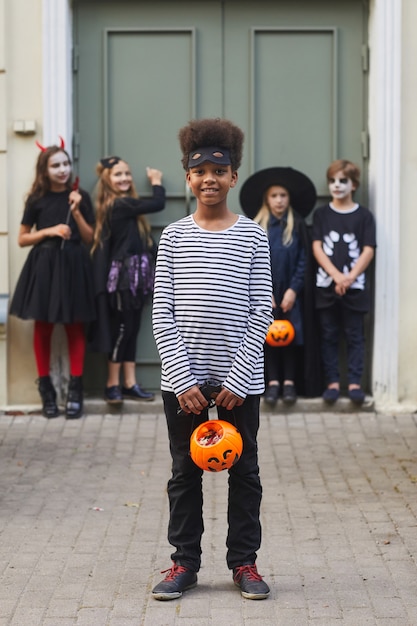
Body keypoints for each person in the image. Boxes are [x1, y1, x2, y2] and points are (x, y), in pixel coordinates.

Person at [152, 118, 272, 601]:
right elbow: (163, 310)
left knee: (245, 471)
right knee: (185, 472)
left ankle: (244, 562)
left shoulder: (252, 236)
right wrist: (181, 379)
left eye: (217, 172)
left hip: (238, 380)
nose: (208, 179)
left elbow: (260, 306)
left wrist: (240, 376)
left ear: (233, 177)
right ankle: (184, 563)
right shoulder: (174, 236)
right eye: (198, 171)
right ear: (187, 177)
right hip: (186, 382)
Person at [9, 139, 95, 419]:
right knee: (43, 327)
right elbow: (22, 238)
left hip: (73, 266)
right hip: (44, 267)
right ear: (44, 170)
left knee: (74, 327)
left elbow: (89, 237)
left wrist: (77, 210)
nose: (62, 170)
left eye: (66, 164)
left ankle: (75, 390)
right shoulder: (37, 199)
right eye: (55, 165)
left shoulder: (80, 195)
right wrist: (50, 230)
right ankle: (46, 389)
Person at [239, 167, 317, 406]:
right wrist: (266, 293)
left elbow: (304, 260)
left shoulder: (298, 225)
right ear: (267, 199)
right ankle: (272, 382)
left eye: (283, 195)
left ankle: (290, 383)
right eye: (274, 196)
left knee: (290, 336)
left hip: (292, 293)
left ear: (289, 198)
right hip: (265, 294)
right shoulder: (257, 227)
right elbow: (250, 262)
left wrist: (294, 289)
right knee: (267, 337)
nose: (279, 200)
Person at [90, 156, 165, 404]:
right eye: (118, 174)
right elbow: (157, 203)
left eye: (127, 174)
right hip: (123, 277)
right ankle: (113, 384)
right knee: (122, 329)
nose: (124, 178)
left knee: (132, 329)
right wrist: (156, 182)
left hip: (135, 276)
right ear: (107, 180)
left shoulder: (129, 208)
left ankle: (130, 383)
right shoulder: (118, 205)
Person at [312, 159, 376, 405]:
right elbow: (317, 247)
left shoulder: (363, 216)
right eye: (332, 181)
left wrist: (349, 278)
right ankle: (333, 383)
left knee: (355, 335)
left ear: (354, 185)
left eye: (343, 181)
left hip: (355, 288)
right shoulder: (322, 215)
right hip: (326, 287)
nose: (337, 186)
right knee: (328, 334)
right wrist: (336, 276)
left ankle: (355, 383)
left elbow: (368, 249)